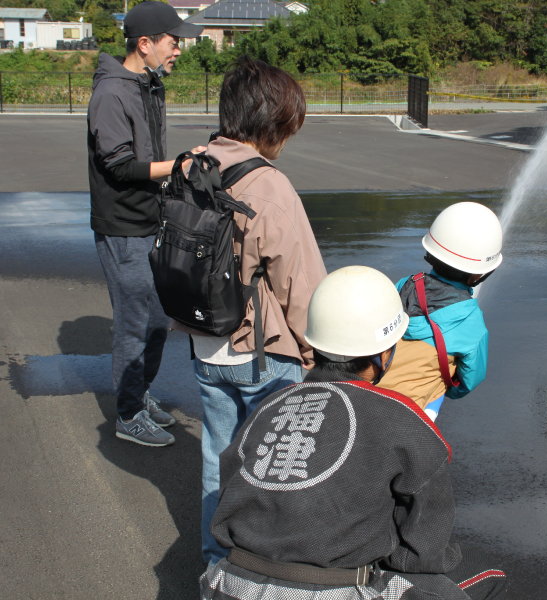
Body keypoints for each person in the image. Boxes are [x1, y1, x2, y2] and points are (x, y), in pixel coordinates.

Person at [200, 265, 507, 600]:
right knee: (481, 573)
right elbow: (422, 552)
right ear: (384, 355)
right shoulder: (405, 422)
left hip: (225, 585)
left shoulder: (270, 406)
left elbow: (231, 487)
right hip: (330, 592)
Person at [169, 56, 327, 567]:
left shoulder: (192, 165)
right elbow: (299, 284)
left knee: (220, 455)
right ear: (273, 124)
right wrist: (313, 354)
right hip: (261, 353)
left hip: (204, 341)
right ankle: (270, 566)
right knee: (276, 461)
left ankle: (218, 562)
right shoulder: (269, 186)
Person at [88, 1, 204, 447]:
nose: (178, 50)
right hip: (121, 227)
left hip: (148, 222)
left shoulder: (147, 84)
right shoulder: (112, 94)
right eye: (173, 42)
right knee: (136, 323)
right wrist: (177, 166)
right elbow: (118, 166)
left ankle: (139, 394)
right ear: (145, 43)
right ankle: (128, 414)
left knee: (158, 319)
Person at [379, 202, 503, 421]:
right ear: (478, 275)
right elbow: (468, 381)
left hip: (367, 388)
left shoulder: (405, 284)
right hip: (409, 413)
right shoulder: (473, 324)